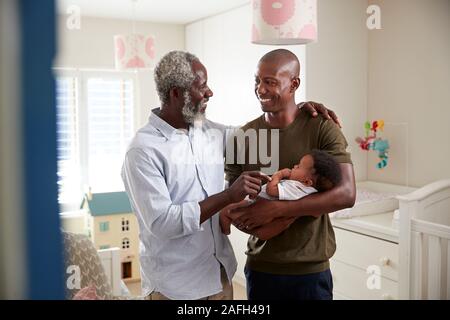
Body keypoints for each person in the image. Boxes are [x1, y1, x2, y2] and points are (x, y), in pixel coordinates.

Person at [121, 50, 340, 300]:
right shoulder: (142, 151)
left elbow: (263, 132)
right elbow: (163, 223)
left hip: (219, 278)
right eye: (202, 86)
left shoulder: (210, 132)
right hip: (175, 289)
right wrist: (228, 196)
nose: (210, 92)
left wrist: (296, 108)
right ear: (176, 93)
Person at [225, 49, 356, 300]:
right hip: (261, 269)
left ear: (294, 84)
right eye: (257, 80)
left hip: (310, 272)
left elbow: (347, 194)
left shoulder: (321, 126)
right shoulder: (242, 138)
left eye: (270, 82)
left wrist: (278, 210)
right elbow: (233, 198)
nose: (260, 89)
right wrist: (244, 218)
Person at [220, 149, 342, 240]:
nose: (294, 166)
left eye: (298, 166)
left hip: (257, 202)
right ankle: (259, 233)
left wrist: (279, 175)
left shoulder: (295, 186)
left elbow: (271, 190)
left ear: (306, 181)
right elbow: (316, 213)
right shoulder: (312, 193)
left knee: (229, 209)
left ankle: (225, 222)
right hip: (276, 221)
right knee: (266, 231)